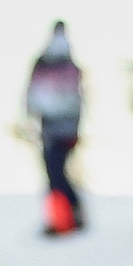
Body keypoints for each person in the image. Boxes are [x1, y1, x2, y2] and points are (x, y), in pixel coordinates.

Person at [26, 23, 86, 236]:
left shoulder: (61, 67)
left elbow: (75, 101)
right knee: (54, 174)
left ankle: (69, 218)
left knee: (56, 174)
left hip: (60, 129)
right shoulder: (60, 66)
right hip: (52, 127)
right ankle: (63, 218)